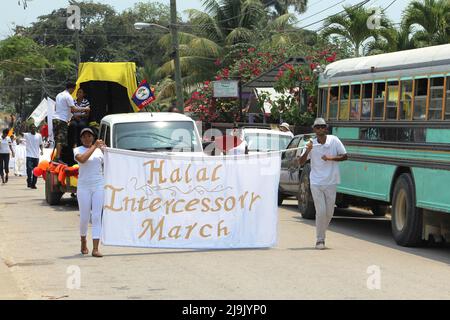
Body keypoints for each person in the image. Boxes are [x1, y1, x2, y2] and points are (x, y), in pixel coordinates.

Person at [298, 118, 348, 250]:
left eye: (322, 127)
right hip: (316, 182)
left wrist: (330, 158)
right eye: (317, 127)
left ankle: (321, 232)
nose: (320, 129)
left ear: (326, 128)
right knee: (321, 211)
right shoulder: (311, 144)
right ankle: (320, 240)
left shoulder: (334, 140)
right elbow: (301, 162)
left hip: (331, 182)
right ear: (314, 129)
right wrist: (308, 151)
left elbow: (345, 156)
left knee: (329, 213)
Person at [73, 127, 106, 258]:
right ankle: (83, 240)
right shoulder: (77, 150)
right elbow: (82, 159)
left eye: (89, 136)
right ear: (81, 139)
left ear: (93, 137)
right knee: (84, 217)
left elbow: (109, 164)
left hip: (98, 185)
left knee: (97, 216)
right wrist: (95, 147)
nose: (87, 138)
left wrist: (105, 149)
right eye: (84, 136)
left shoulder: (100, 151)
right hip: (83, 187)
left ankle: (96, 248)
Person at [53, 82, 89, 162]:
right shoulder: (68, 96)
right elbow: (74, 109)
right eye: (74, 89)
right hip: (62, 120)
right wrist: (85, 109)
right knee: (61, 139)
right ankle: (57, 157)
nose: (74, 92)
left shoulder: (59, 95)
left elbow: (55, 107)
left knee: (58, 139)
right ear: (72, 88)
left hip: (55, 118)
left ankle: (56, 156)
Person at [24, 124, 44, 189]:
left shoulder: (39, 135)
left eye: (34, 127)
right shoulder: (27, 135)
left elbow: (41, 144)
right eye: (32, 128)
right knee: (29, 170)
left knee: (36, 171)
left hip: (36, 156)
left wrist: (42, 150)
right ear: (30, 129)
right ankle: (29, 180)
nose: (33, 129)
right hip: (29, 155)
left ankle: (33, 184)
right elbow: (20, 133)